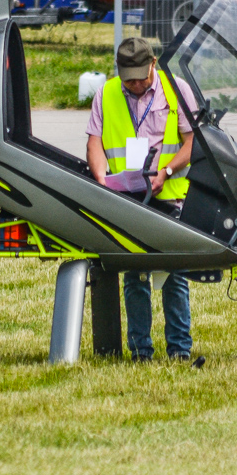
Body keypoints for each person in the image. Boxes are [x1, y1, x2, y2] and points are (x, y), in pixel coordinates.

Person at [85, 37, 198, 362]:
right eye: (128, 79)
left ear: (153, 64)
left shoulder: (176, 90)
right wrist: (102, 181)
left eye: (141, 77)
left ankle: (179, 349)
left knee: (172, 274)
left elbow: (192, 143)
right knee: (134, 275)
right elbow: (95, 142)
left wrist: (166, 171)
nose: (135, 84)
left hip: (167, 194)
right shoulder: (106, 93)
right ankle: (140, 351)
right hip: (126, 197)